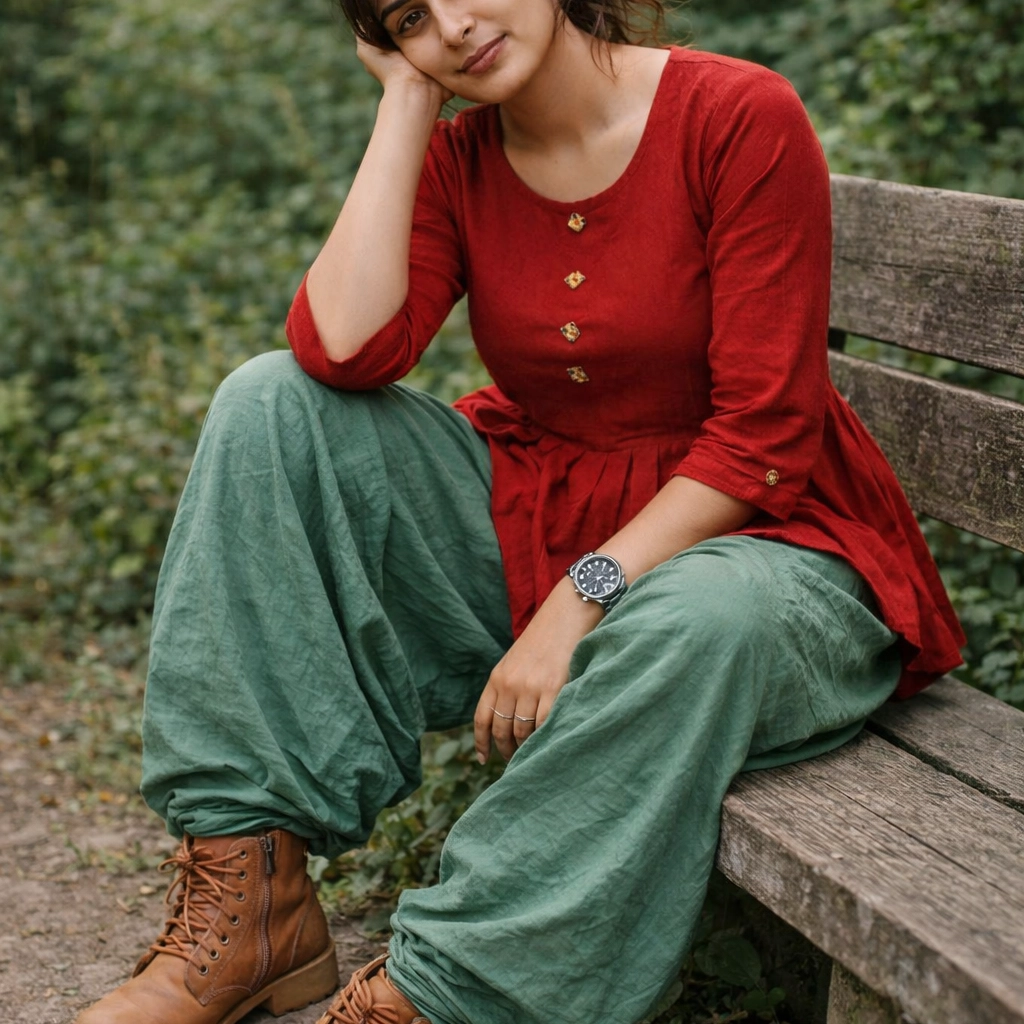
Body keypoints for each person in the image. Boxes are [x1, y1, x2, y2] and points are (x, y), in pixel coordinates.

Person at [76, 1, 967, 1023]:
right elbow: (344, 352)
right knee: (268, 401)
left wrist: (580, 600)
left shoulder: (734, 114)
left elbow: (764, 438)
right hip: (546, 512)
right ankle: (255, 907)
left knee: (694, 616)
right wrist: (407, 103)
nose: (453, 26)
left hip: (767, 547)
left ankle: (449, 993)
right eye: (411, 17)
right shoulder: (462, 158)